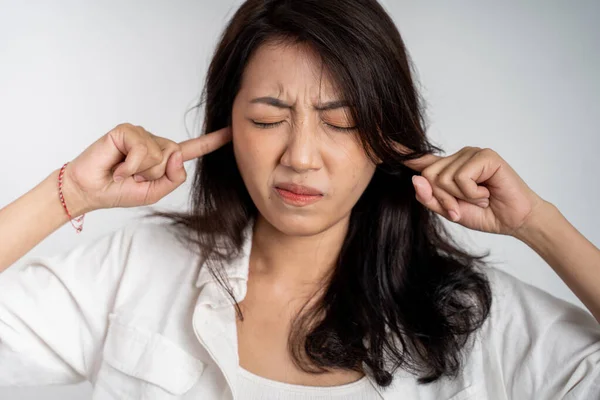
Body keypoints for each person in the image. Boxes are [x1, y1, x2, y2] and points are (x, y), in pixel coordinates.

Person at [1, 0, 599, 399]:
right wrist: (71, 194)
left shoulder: (468, 317)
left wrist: (536, 224)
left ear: (387, 137)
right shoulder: (137, 265)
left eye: (340, 122)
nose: (301, 157)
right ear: (227, 125)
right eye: (268, 119)